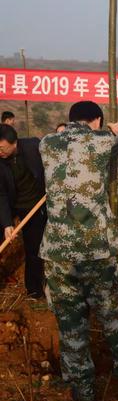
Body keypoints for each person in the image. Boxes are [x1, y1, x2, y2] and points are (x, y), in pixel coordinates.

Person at [39, 101, 118, 401]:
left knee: (71, 325)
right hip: (98, 250)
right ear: (96, 120)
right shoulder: (106, 140)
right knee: (116, 320)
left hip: (58, 255)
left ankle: (83, 392)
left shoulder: (48, 142)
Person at [0, 124, 46, 298]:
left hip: (35, 205)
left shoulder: (34, 146)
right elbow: (1, 194)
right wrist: (6, 224)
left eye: (1, 148)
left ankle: (34, 289)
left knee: (33, 248)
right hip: (11, 204)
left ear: (14, 143)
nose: (0, 152)